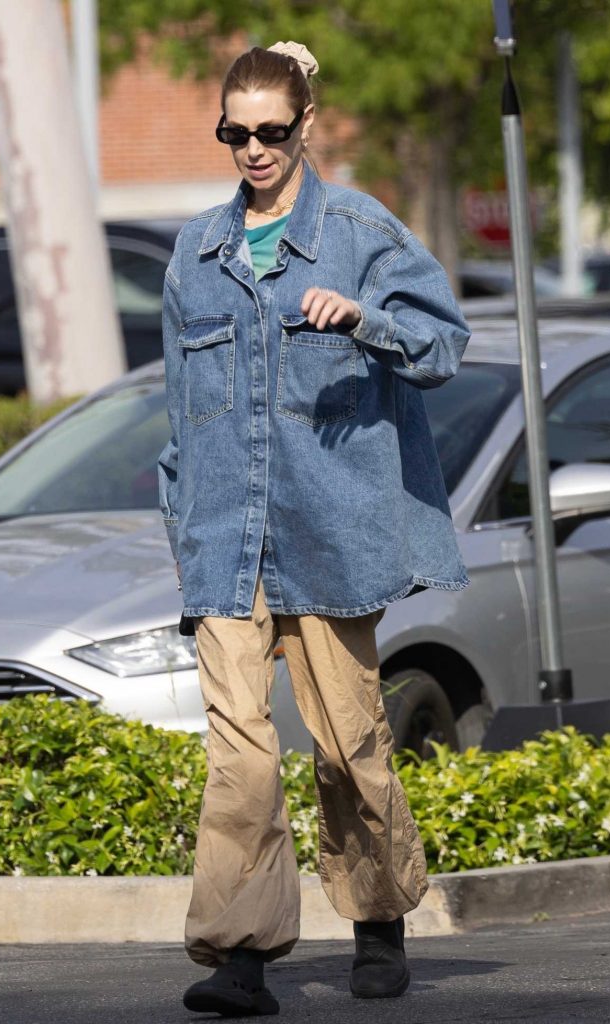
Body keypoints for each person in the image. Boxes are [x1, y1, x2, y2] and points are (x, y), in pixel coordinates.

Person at [158, 40, 471, 1017]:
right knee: (240, 750)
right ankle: (242, 956)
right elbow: (179, 415)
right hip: (225, 538)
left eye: (271, 130)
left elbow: (444, 342)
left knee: (348, 744)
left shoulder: (359, 229)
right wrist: (182, 529)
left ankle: (379, 920)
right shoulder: (195, 255)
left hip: (331, 529)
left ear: (303, 125)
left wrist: (364, 320)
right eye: (234, 131)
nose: (253, 148)